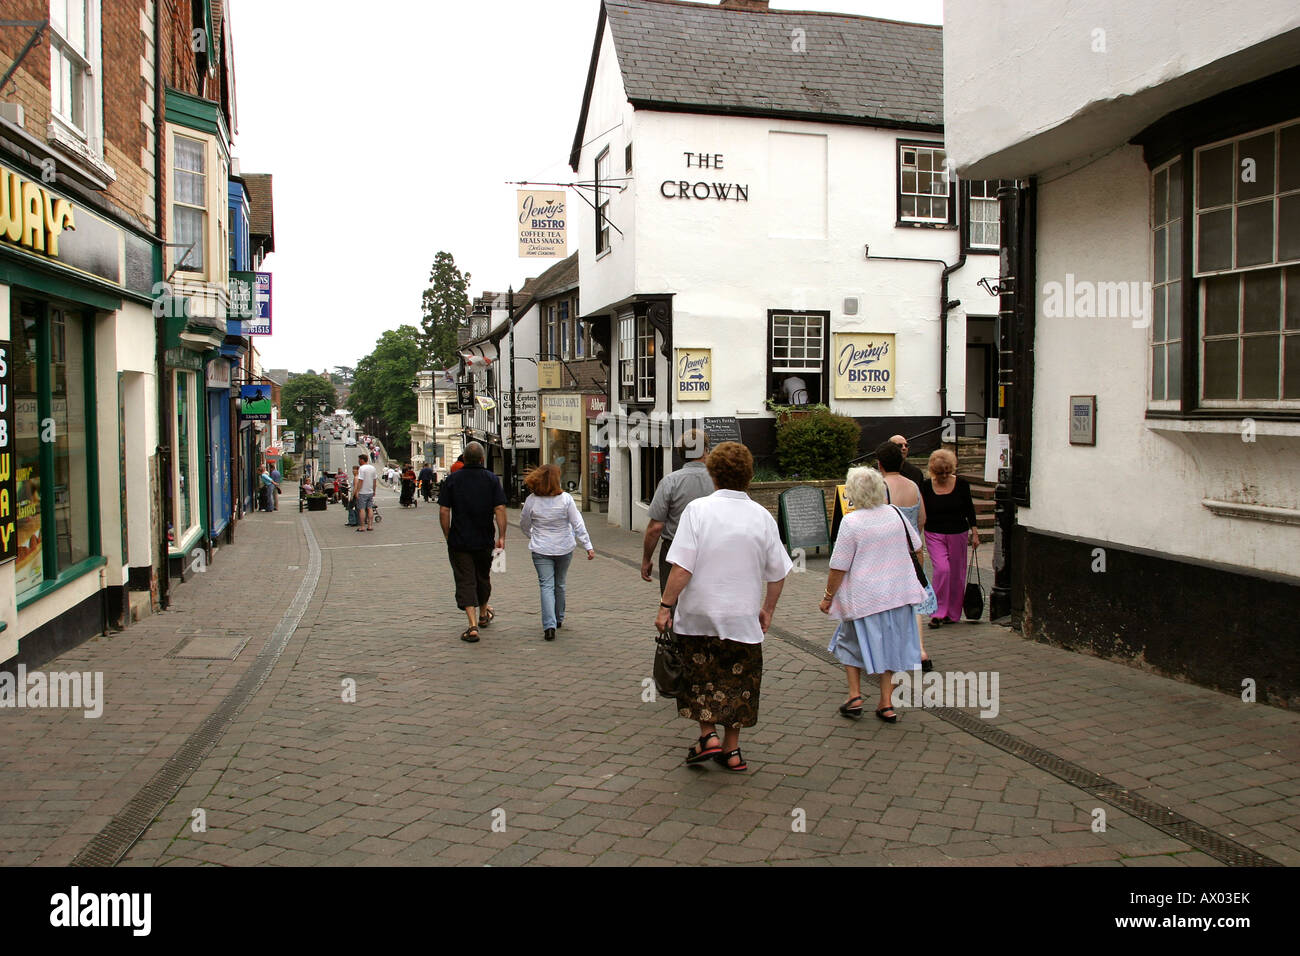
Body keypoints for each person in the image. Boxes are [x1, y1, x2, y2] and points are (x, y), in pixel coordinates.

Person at [655, 442, 792, 773]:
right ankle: (732, 750)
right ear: (749, 475)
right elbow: (778, 572)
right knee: (739, 683)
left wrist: (665, 605)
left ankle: (708, 736)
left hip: (697, 615)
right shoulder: (761, 516)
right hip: (741, 617)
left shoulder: (698, 511)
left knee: (700, 678)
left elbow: (682, 567)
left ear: (712, 473)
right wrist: (767, 609)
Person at [819, 466, 927, 723]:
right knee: (891, 645)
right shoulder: (896, 514)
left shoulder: (852, 522)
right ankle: (886, 702)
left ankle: (855, 695)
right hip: (897, 596)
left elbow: (838, 565)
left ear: (852, 493)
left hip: (865, 599)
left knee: (848, 642)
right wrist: (912, 578)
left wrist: (827, 596)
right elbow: (918, 548)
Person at [876, 440, 937, 671]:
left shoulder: (880, 487)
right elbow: (922, 519)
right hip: (913, 552)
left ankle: (888, 652)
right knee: (914, 600)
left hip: (888, 554)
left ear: (879, 463)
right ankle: (920, 650)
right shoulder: (913, 485)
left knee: (886, 602)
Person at [438, 442, 507, 643]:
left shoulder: (452, 480)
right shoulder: (491, 479)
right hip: (485, 538)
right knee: (483, 576)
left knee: (465, 579)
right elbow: (500, 509)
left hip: (459, 539)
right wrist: (501, 536)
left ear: (464, 459)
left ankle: (472, 624)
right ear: (482, 459)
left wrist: (447, 534)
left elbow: (444, 510)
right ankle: (484, 612)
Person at [519, 464, 594, 641]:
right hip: (564, 547)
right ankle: (559, 618)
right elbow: (578, 524)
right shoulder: (566, 499)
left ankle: (549, 625)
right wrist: (588, 545)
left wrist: (532, 535)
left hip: (540, 548)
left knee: (546, 585)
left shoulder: (532, 500)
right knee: (560, 584)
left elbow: (524, 523)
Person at [641, 429, 713, 592]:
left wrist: (646, 559)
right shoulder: (720, 480)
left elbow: (655, 528)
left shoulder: (670, 482)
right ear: (706, 451)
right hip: (711, 550)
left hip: (676, 552)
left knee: (672, 602)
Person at [919, 449, 979, 628]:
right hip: (934, 533)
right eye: (940, 472)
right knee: (942, 570)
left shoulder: (962, 484)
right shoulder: (925, 486)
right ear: (933, 470)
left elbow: (969, 509)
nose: (945, 475)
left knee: (957, 574)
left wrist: (975, 533)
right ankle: (937, 612)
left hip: (958, 533)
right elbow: (922, 513)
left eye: (947, 471)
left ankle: (952, 614)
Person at [355, 453, 378, 532]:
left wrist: (357, 491)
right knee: (370, 508)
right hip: (370, 491)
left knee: (362, 509)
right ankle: (370, 525)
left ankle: (362, 526)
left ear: (362, 460)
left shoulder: (361, 468)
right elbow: (375, 481)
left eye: (359, 459)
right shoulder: (372, 468)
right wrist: (374, 490)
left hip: (362, 492)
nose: (358, 461)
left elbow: (360, 480)